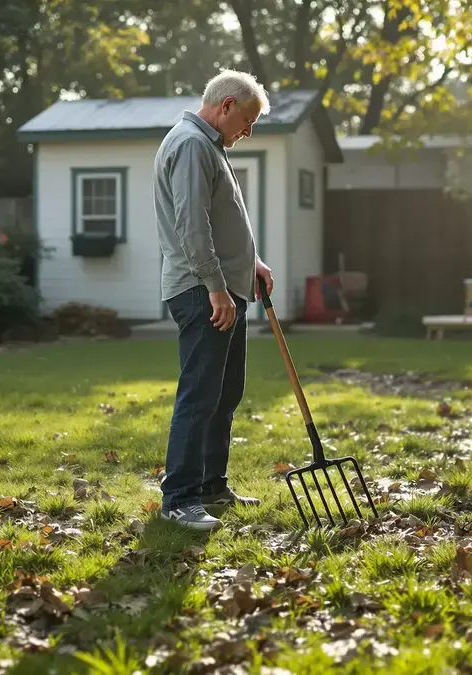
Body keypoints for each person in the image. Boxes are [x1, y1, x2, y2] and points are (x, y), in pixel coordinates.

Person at [153, 69, 275, 531]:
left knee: (225, 394)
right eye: (247, 122)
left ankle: (210, 486)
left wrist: (251, 261)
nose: (248, 132)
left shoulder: (210, 146)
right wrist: (216, 287)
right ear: (226, 106)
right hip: (202, 291)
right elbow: (192, 224)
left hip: (224, 287)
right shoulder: (191, 144)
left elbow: (222, 219)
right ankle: (179, 499)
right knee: (200, 395)